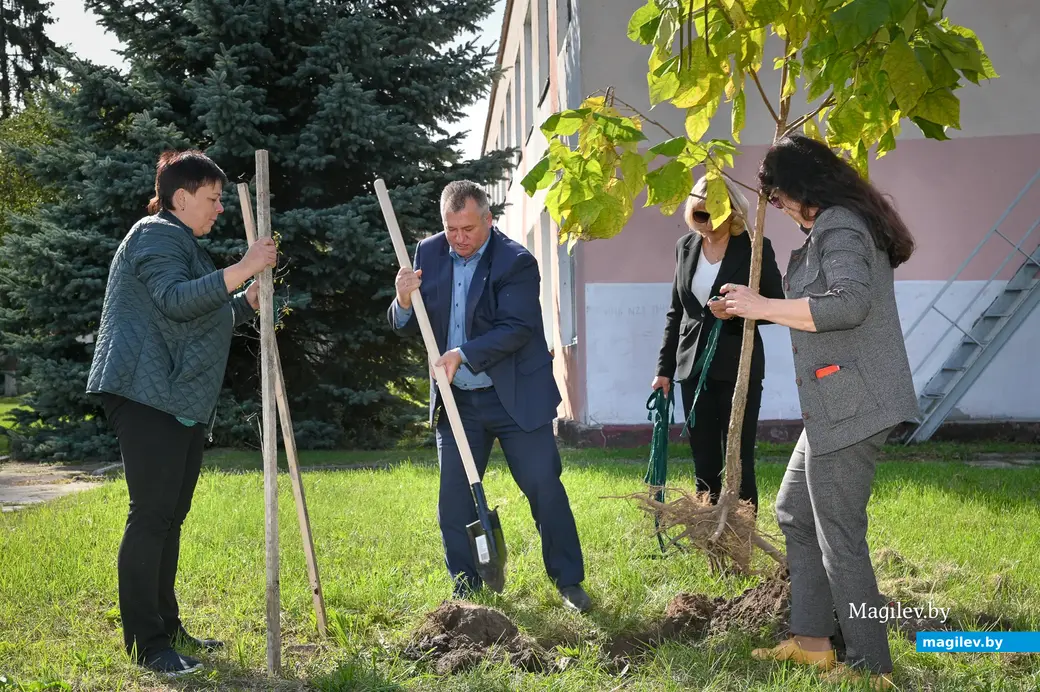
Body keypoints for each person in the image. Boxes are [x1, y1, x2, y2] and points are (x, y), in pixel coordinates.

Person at [721, 134, 918, 690]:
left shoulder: (840, 225)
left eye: (779, 196)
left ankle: (872, 667)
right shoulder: (833, 225)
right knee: (793, 510)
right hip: (839, 402)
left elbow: (849, 305)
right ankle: (812, 642)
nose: (777, 207)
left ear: (804, 188)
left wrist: (761, 307)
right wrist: (752, 305)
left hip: (855, 402)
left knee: (839, 533)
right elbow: (821, 303)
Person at [86, 150, 277, 675]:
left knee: (170, 517)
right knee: (151, 516)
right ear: (181, 197)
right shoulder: (155, 234)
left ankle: (167, 626)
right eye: (213, 199)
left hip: (174, 397)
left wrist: (246, 302)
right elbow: (173, 299)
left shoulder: (184, 245)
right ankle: (147, 646)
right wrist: (242, 269)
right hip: (145, 392)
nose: (219, 208)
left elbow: (199, 311)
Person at [388, 180, 590, 612]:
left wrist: (463, 353)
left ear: (488, 220)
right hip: (458, 401)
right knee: (454, 502)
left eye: (467, 229)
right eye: (450, 229)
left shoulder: (515, 261)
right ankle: (466, 593)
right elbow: (404, 322)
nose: (458, 239)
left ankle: (569, 581)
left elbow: (516, 329)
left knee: (543, 487)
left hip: (515, 396)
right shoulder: (428, 253)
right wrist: (403, 298)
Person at [652, 175, 784, 512]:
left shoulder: (755, 247)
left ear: (733, 211)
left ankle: (742, 538)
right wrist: (663, 370)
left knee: (738, 459)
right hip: (692, 368)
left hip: (738, 365)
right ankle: (709, 539)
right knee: (704, 459)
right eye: (699, 216)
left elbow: (775, 305)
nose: (707, 224)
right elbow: (676, 311)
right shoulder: (685, 246)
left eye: (715, 214)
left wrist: (737, 310)